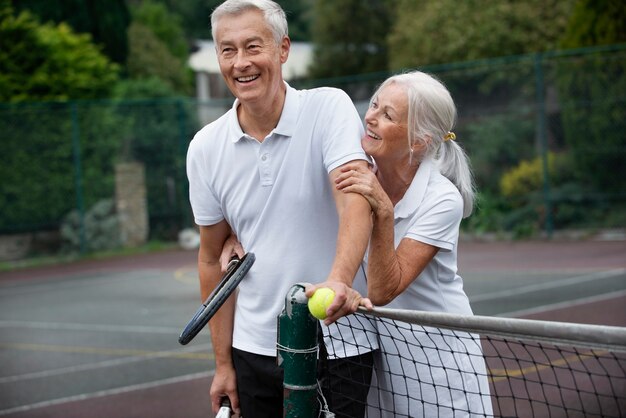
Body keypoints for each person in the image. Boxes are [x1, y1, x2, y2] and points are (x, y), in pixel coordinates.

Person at [185, 1, 377, 417]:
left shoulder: (329, 108)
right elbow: (209, 258)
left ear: (283, 49)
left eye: (253, 46)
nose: (241, 63)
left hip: (340, 341)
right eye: (228, 50)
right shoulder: (204, 148)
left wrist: (339, 282)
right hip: (252, 351)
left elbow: (355, 202)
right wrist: (222, 364)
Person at [330, 71, 494, 417]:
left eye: (387, 115)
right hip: (385, 360)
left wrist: (384, 212)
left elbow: (382, 288)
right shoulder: (358, 172)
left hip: (442, 364)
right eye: (374, 105)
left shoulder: (442, 200)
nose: (370, 117)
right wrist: (234, 237)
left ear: (419, 141)